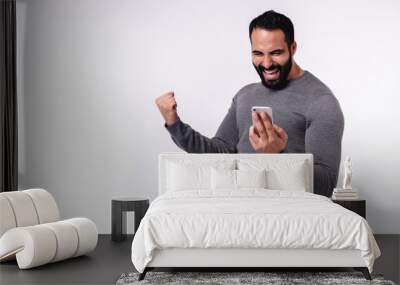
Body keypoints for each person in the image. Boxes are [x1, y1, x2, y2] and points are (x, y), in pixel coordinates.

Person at [155, 10, 344, 197]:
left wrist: (275, 157)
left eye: (276, 53)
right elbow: (219, 155)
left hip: (286, 212)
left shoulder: (321, 101)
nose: (267, 63)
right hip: (238, 205)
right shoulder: (245, 95)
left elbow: (325, 185)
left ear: (293, 48)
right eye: (258, 53)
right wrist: (174, 124)